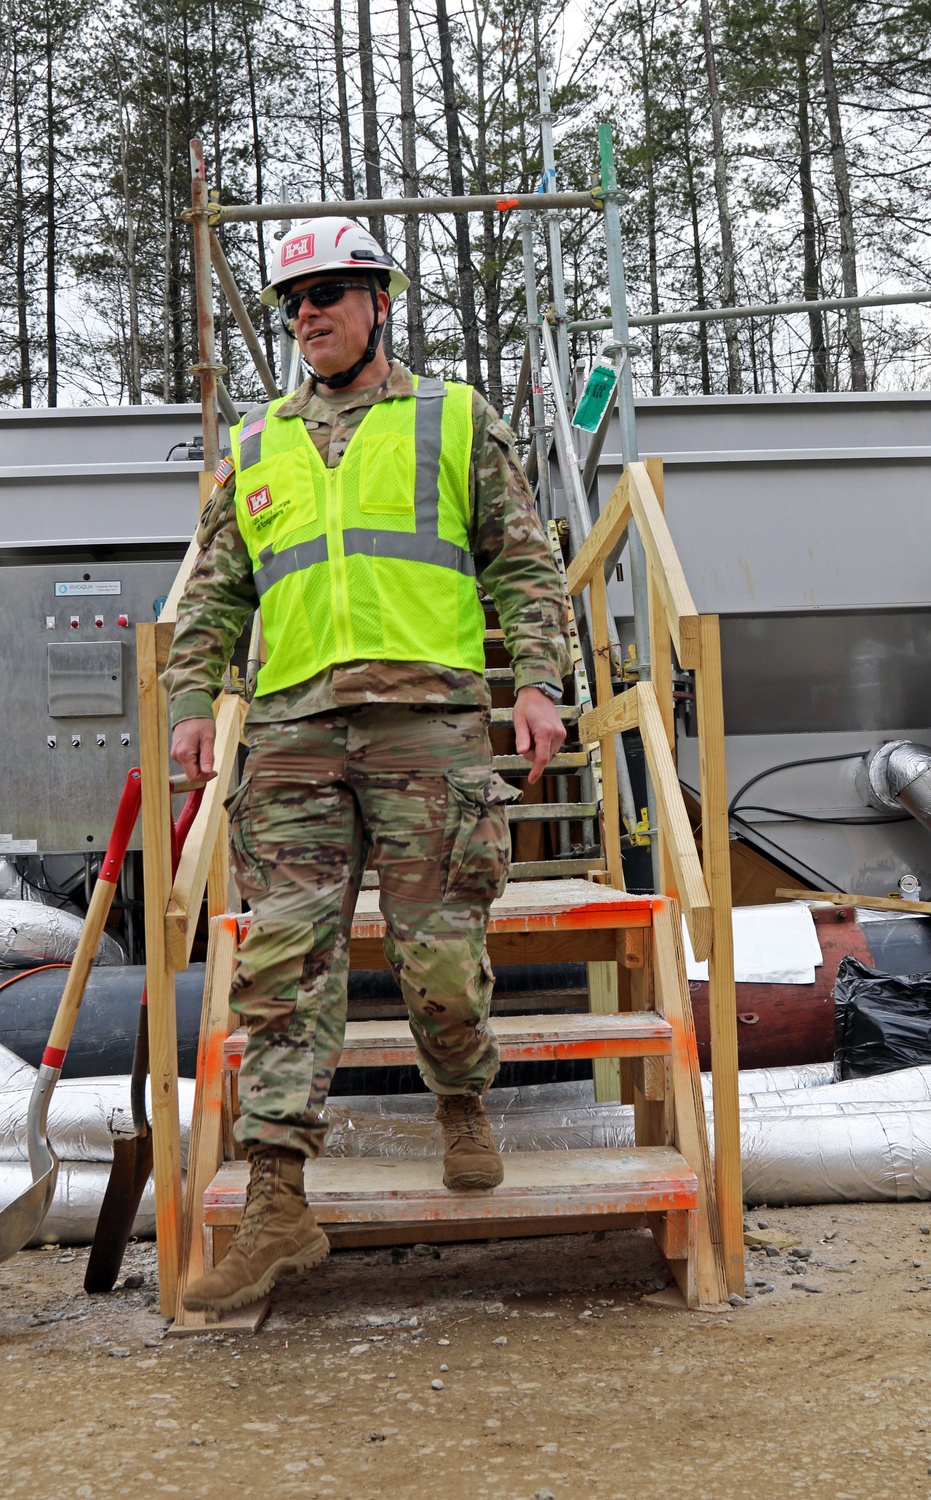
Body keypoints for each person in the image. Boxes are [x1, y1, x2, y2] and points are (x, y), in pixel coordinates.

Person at [164, 216, 572, 1315]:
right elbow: (213, 593)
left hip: (426, 721)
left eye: (330, 294)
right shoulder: (254, 445)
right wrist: (195, 702)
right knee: (283, 966)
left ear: (378, 301)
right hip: (293, 731)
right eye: (292, 301)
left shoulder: (450, 416)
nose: (308, 315)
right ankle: (278, 1204)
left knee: (437, 955)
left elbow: (523, 562)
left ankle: (458, 1096)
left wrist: (536, 682)